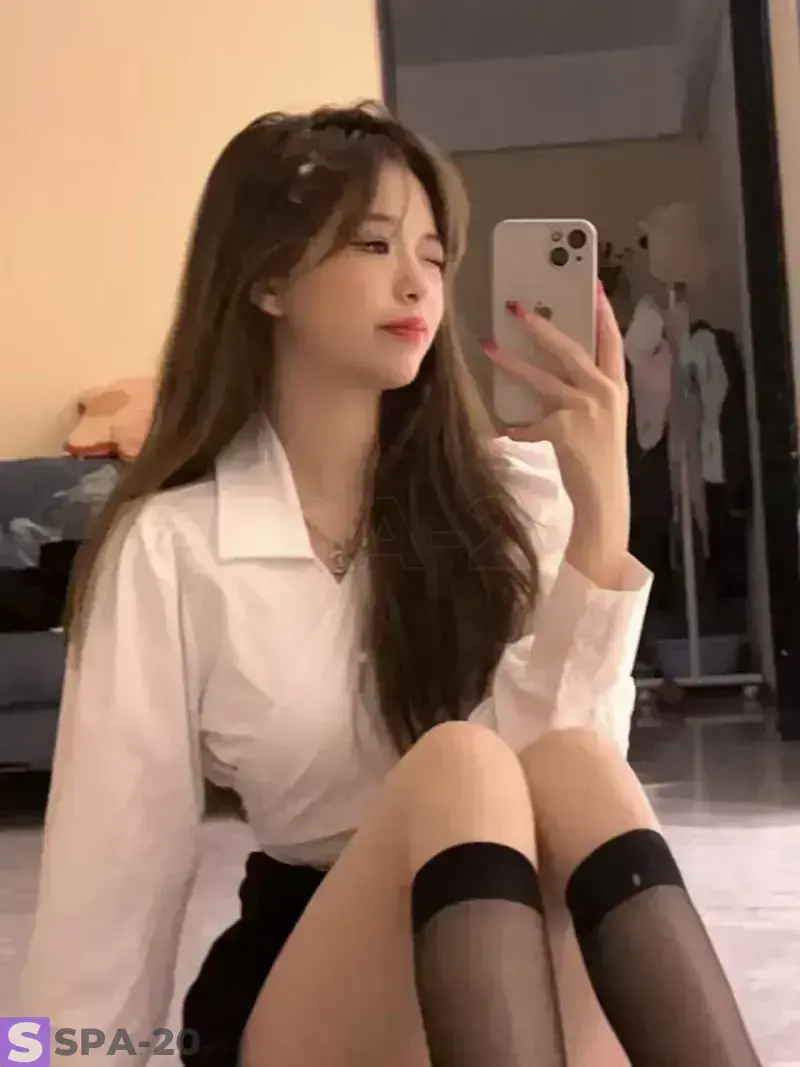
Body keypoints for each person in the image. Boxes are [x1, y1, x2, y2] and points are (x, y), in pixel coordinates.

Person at [18, 103, 762, 1067]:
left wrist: (600, 519)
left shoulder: (516, 500)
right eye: (374, 245)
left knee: (572, 767)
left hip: (524, 965)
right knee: (459, 767)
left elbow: (564, 774)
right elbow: (111, 876)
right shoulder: (172, 546)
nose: (417, 282)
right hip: (317, 982)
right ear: (269, 279)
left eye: (434, 255)